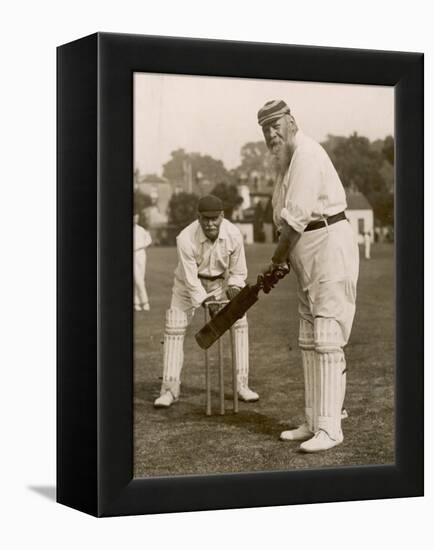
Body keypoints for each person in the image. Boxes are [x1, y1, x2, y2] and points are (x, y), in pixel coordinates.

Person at [257, 100, 359, 452]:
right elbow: (283, 219)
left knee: (328, 336)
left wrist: (275, 261)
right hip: (306, 254)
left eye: (276, 124)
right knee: (307, 338)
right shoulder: (284, 163)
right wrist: (284, 260)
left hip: (328, 246)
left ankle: (331, 429)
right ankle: (314, 420)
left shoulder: (307, 154)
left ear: (292, 121)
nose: (271, 133)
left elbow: (295, 220)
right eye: (265, 128)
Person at [154, 194, 259, 408]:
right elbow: (192, 281)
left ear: (222, 216)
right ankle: (169, 390)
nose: (210, 224)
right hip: (187, 286)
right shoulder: (185, 238)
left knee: (239, 322)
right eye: (205, 219)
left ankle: (242, 385)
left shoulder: (234, 234)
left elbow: (239, 271)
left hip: (220, 284)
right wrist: (206, 301)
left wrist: (235, 286)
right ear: (198, 217)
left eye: (215, 218)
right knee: (174, 325)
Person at [134, 213, 152, 311]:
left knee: (140, 278)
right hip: (132, 255)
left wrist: (141, 246)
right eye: (134, 217)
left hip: (141, 254)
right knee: (138, 280)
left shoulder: (141, 229)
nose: (135, 219)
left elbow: (149, 240)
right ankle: (145, 302)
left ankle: (136, 303)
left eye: (137, 218)